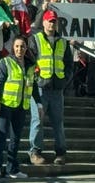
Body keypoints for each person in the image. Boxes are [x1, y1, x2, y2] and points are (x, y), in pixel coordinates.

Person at [0, 35, 42, 179]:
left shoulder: (31, 66)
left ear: (26, 48)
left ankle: (12, 168)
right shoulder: (6, 62)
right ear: (13, 48)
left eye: (23, 46)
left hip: (21, 106)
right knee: (2, 135)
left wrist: (38, 103)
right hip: (6, 104)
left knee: (16, 138)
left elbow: (34, 87)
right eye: (17, 46)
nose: (20, 49)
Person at [28, 10, 73, 165]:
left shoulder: (63, 42)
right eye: (49, 21)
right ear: (44, 22)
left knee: (58, 122)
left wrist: (64, 80)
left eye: (54, 21)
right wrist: (36, 80)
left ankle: (61, 153)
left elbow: (68, 64)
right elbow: (30, 63)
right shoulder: (35, 39)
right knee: (37, 121)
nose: (52, 24)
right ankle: (35, 152)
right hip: (40, 88)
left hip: (57, 88)